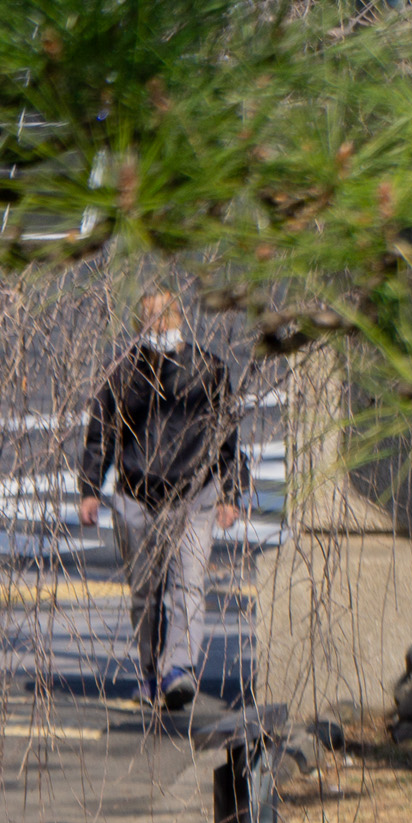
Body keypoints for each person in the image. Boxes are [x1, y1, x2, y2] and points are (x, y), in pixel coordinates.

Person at [75, 288, 245, 715]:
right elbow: (101, 431)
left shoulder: (208, 370)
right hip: (136, 496)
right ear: (139, 324)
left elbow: (226, 435)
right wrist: (90, 488)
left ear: (179, 320)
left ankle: (178, 669)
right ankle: (152, 672)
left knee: (188, 583)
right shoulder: (123, 372)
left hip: (193, 494)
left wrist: (229, 491)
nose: (158, 327)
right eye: (150, 319)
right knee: (145, 593)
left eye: (165, 318)